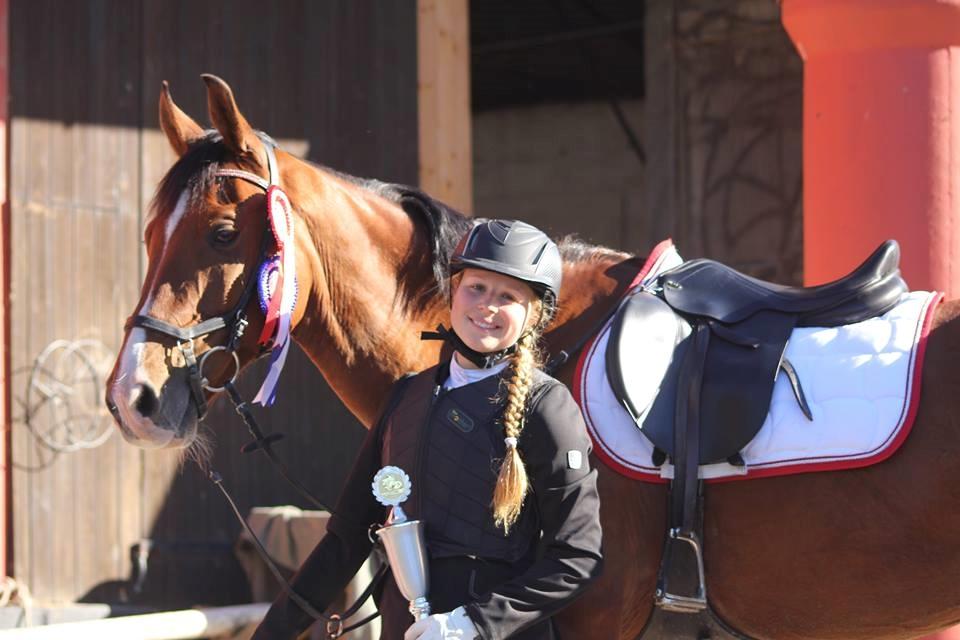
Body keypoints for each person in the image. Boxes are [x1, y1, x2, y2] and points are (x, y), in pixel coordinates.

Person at [253, 220, 603, 640]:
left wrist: (474, 624)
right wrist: (270, 633)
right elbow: (346, 540)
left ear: (535, 315)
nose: (487, 306)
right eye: (476, 288)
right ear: (454, 291)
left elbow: (577, 556)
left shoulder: (548, 406)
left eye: (507, 296)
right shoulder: (405, 397)